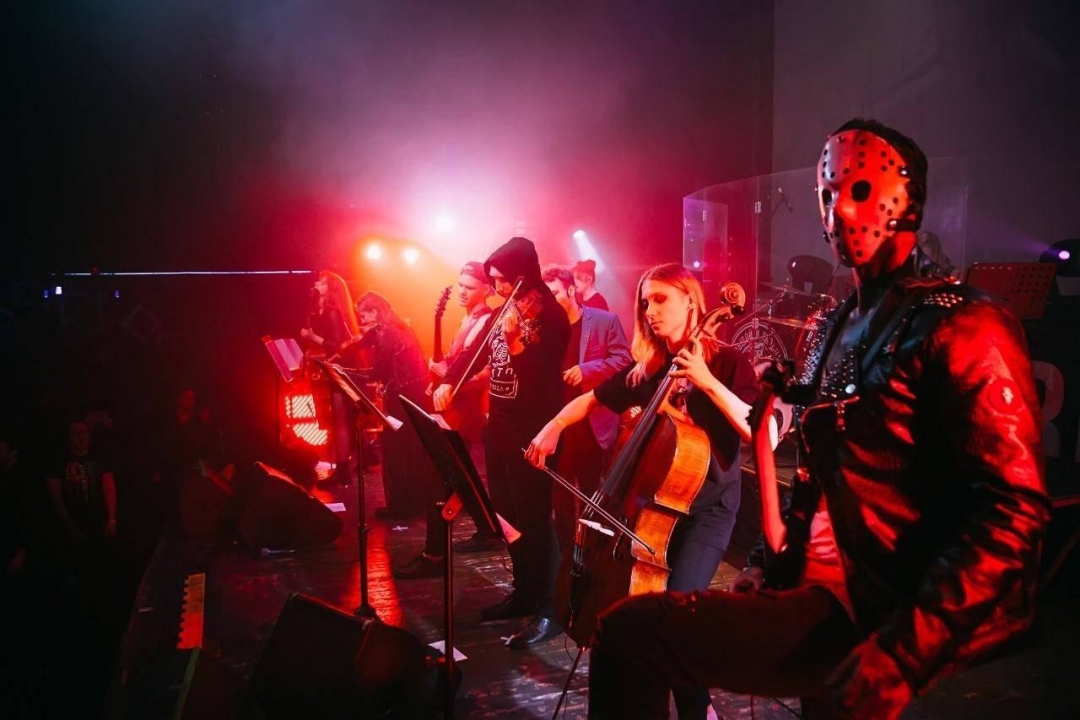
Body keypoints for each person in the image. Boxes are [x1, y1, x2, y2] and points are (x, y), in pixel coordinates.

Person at [584, 118, 1050, 719]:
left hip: (891, 603)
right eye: (828, 193)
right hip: (820, 591)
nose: (840, 210)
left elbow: (1013, 510)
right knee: (632, 632)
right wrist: (766, 564)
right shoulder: (832, 326)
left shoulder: (964, 322)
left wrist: (905, 652)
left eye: (861, 190)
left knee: (632, 633)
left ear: (909, 201)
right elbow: (815, 478)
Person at [527, 263, 760, 716]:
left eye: (661, 299)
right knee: (646, 622)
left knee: (677, 617)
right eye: (645, 301)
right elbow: (593, 399)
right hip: (654, 511)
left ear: (690, 301)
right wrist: (552, 427)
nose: (650, 310)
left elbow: (756, 430)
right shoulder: (650, 369)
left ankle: (699, 713)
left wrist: (706, 381)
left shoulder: (729, 362)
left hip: (708, 511)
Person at [434, 236, 570, 649]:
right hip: (500, 428)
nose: (497, 288)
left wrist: (515, 344)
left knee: (535, 519)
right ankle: (524, 592)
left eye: (502, 280)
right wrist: (449, 381)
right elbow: (474, 353)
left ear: (523, 275)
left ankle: (550, 608)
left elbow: (541, 378)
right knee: (508, 517)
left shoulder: (551, 316)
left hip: (533, 429)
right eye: (493, 280)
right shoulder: (502, 311)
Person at [395, 262, 500, 578]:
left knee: (440, 479)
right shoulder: (467, 320)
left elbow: (485, 374)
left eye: (470, 287)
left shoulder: (486, 321)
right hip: (453, 405)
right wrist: (442, 380)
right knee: (457, 476)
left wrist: (449, 380)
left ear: (487, 289)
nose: (462, 292)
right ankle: (486, 529)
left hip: (464, 411)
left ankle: (435, 555)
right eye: (460, 285)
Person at [540, 265, 632, 551]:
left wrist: (586, 369)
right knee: (559, 487)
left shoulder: (604, 321)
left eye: (554, 293)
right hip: (558, 418)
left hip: (593, 419)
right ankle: (565, 550)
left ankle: (594, 549)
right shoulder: (544, 327)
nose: (550, 301)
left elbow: (624, 361)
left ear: (571, 290)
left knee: (593, 487)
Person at [353, 292, 442, 522]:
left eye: (363, 315)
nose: (361, 320)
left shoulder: (388, 333)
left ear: (375, 312)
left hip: (402, 397)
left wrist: (346, 373)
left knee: (397, 453)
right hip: (413, 395)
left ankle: (402, 506)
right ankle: (412, 503)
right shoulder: (400, 327)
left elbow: (376, 371)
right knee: (410, 451)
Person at [300, 270, 360, 486]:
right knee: (338, 418)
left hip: (339, 367)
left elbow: (338, 344)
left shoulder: (333, 312)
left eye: (323, 283)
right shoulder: (321, 310)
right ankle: (346, 463)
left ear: (331, 289)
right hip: (331, 366)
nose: (317, 284)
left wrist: (313, 337)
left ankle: (343, 470)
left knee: (341, 418)